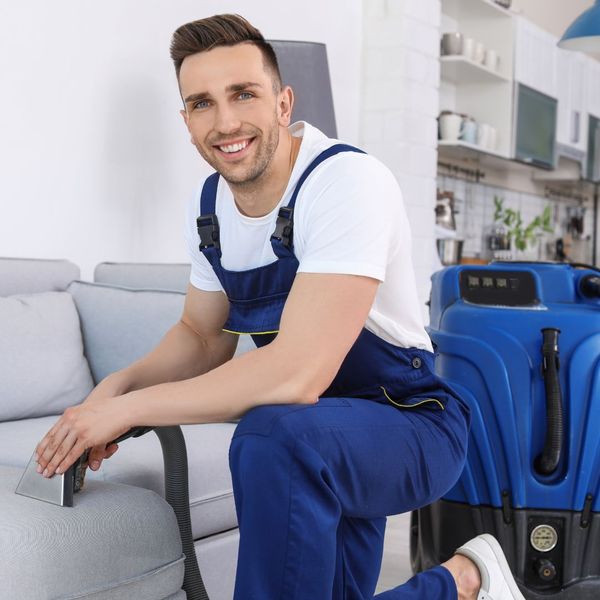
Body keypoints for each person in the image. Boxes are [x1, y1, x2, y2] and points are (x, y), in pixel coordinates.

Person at [35, 14, 525, 600]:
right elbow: (200, 334)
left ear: (283, 102)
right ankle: (467, 584)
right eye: (201, 103)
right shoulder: (211, 206)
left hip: (406, 423)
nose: (226, 121)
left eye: (243, 94)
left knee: (271, 435)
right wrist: (112, 391)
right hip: (318, 431)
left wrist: (130, 411)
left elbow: (297, 373)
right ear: (186, 121)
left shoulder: (345, 182)